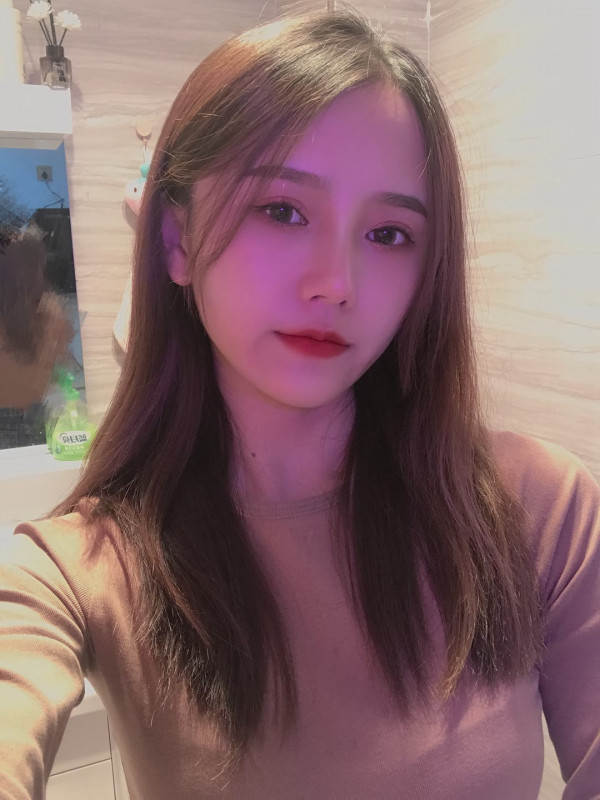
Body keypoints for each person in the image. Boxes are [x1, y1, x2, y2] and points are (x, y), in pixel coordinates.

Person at [0, 7, 598, 799]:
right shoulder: (81, 568)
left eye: (389, 234)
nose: (337, 283)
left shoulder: (537, 508)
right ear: (177, 241)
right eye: (281, 210)